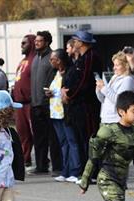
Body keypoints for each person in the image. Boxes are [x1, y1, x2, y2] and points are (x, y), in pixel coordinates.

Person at [62, 30, 102, 172]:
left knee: (89, 138)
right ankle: (86, 169)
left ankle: (93, 170)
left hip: (87, 105)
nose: (74, 42)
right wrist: (64, 90)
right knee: (81, 139)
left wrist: (70, 95)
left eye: (76, 40)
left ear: (81, 42)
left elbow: (84, 81)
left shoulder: (90, 57)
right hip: (78, 105)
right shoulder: (82, 58)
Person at [47, 49, 81, 182]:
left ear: (59, 60)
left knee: (72, 141)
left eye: (52, 59)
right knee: (63, 142)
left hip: (66, 112)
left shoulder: (70, 72)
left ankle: (75, 170)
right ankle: (65, 170)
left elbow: (69, 91)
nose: (51, 62)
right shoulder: (55, 73)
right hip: (55, 112)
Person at [30, 30, 61, 174]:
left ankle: (57, 167)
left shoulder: (52, 57)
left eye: (39, 41)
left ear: (47, 42)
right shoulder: (35, 58)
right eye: (36, 40)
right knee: (38, 138)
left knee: (52, 138)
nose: (36, 43)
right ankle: (41, 166)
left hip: (49, 103)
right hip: (35, 103)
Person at [11, 35, 36, 167]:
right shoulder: (22, 62)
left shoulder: (34, 61)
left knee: (34, 133)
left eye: (24, 43)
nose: (22, 45)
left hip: (30, 103)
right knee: (22, 133)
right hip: (19, 103)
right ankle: (25, 158)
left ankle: (43, 161)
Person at [96, 51, 134, 124]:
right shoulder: (114, 77)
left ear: (126, 65)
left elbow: (120, 101)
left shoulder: (128, 79)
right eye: (114, 65)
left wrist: (104, 88)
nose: (114, 68)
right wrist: (99, 89)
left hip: (116, 121)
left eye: (117, 65)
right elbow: (104, 100)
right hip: (105, 119)